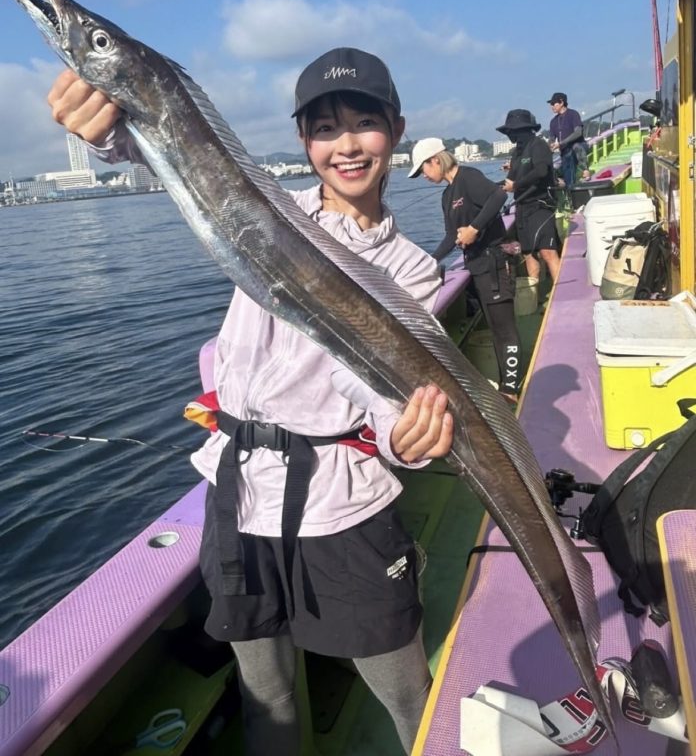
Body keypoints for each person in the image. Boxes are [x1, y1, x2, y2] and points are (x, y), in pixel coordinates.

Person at [46, 47, 454, 756]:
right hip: (238, 495)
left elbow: (387, 400)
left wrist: (405, 437)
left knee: (405, 690)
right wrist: (106, 128)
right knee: (263, 690)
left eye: (365, 122)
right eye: (325, 129)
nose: (346, 144)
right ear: (305, 142)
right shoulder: (263, 207)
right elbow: (172, 157)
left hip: (344, 506)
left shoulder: (411, 272)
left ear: (397, 130)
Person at [408, 138, 522, 403]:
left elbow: (499, 196)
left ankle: (511, 389)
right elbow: (450, 235)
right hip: (477, 265)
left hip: (494, 261)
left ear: (435, 160)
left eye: (423, 169)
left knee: (504, 328)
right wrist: (429, 261)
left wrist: (474, 229)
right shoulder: (448, 195)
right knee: (494, 327)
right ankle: (507, 387)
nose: (423, 176)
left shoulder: (468, 177)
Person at [498, 109, 561, 283]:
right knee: (528, 253)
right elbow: (510, 179)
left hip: (541, 205)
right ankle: (534, 296)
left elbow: (541, 171)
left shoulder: (538, 145)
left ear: (524, 130)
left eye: (513, 131)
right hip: (522, 207)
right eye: (508, 132)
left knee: (547, 252)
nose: (511, 135)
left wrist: (516, 185)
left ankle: (559, 295)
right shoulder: (515, 153)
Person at [547, 91, 585, 188]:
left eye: (553, 104)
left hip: (579, 147)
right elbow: (551, 138)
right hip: (564, 151)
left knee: (573, 151)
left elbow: (578, 132)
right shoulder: (553, 122)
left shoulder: (573, 114)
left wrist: (561, 143)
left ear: (561, 102)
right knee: (558, 166)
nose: (551, 106)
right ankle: (568, 188)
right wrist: (550, 146)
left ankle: (584, 171)